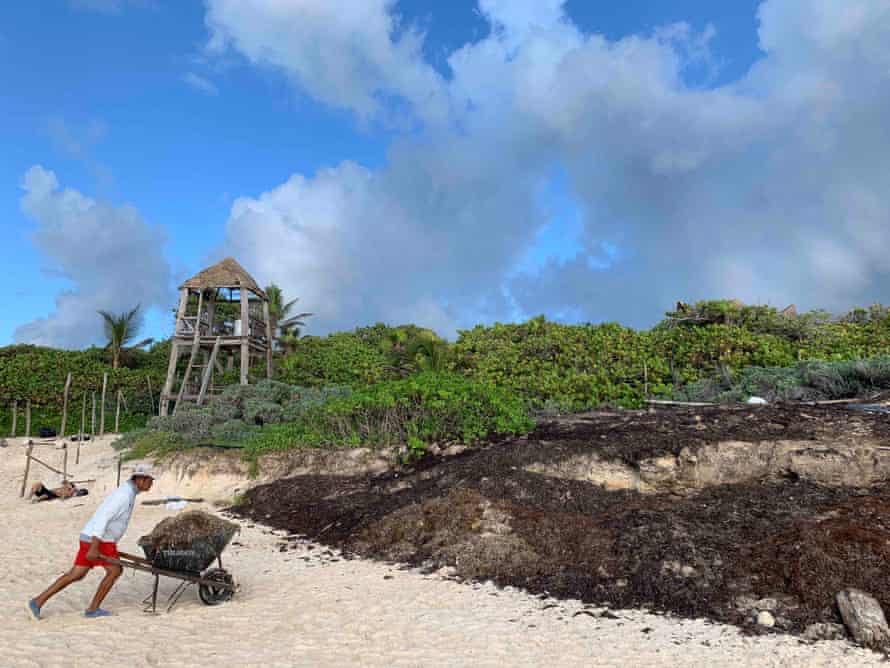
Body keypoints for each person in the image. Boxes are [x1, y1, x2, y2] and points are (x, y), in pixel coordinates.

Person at [26, 464, 155, 620]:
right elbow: (103, 518)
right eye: (149, 480)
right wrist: (94, 547)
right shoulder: (124, 495)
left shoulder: (128, 492)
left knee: (76, 574)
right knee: (115, 571)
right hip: (100, 540)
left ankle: (37, 602)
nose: (151, 483)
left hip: (91, 537)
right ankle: (93, 609)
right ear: (140, 479)